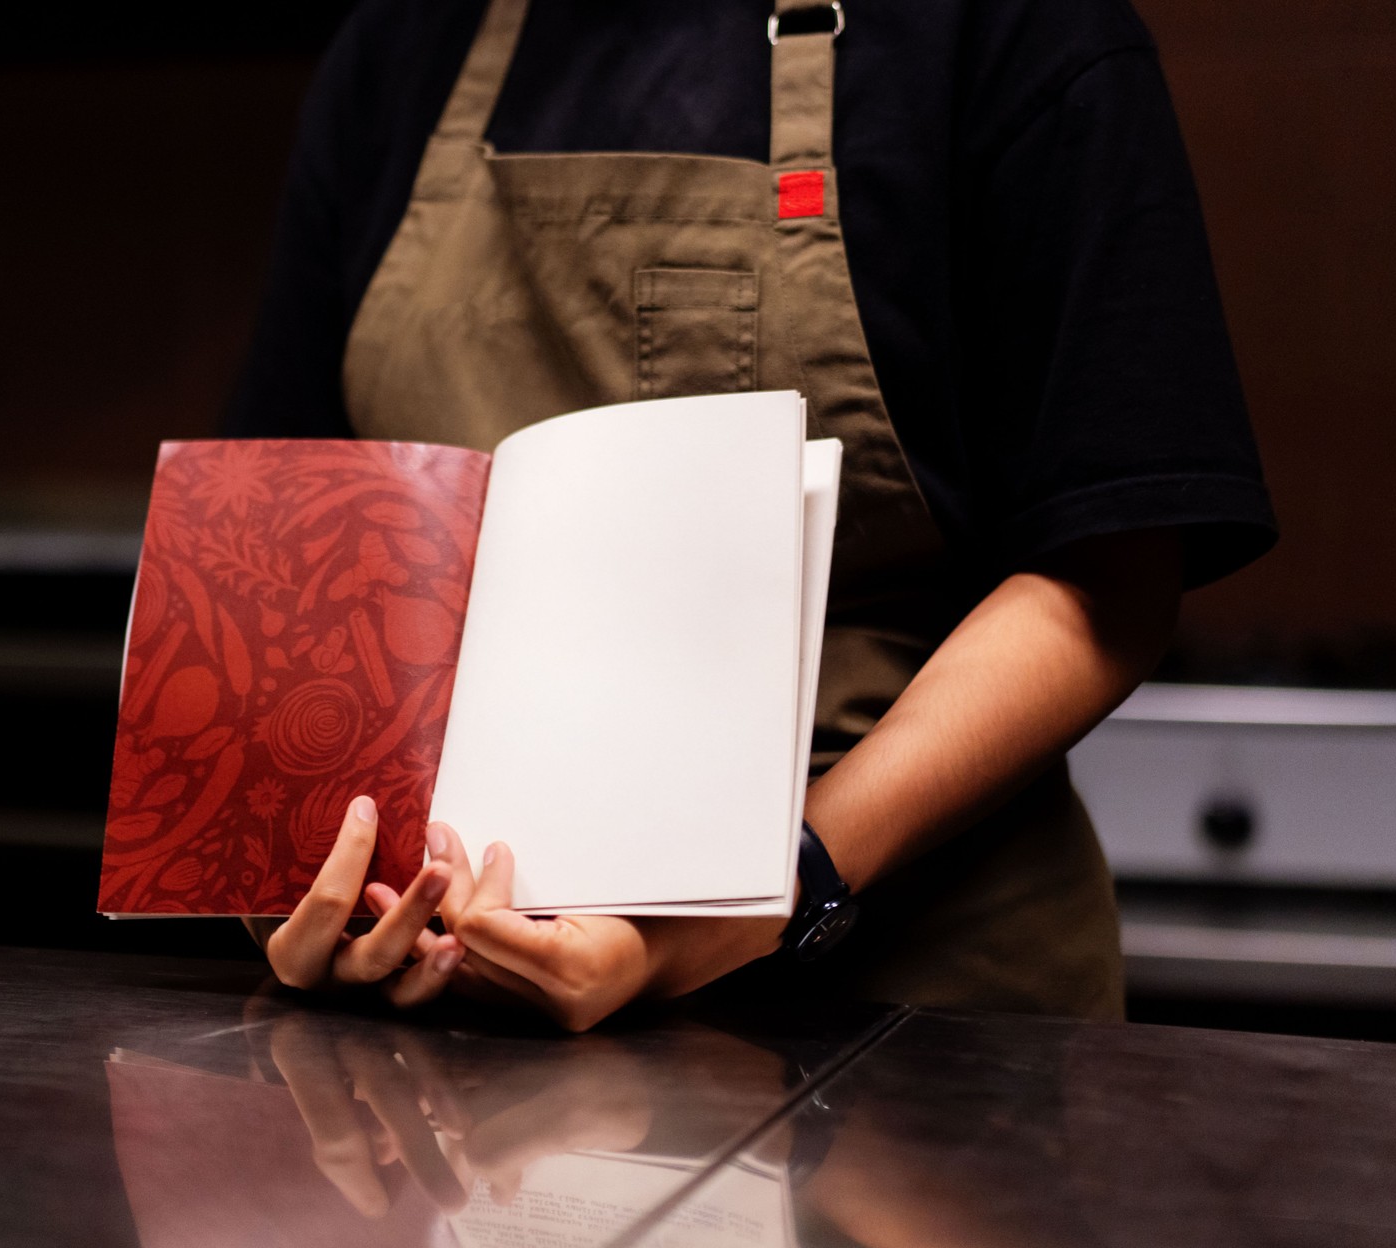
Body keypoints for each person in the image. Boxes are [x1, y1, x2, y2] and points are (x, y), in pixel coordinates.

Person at [230, 0, 1275, 1030]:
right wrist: (315, 886)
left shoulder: (1014, 30)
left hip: (914, 1030)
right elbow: (278, 558)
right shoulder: (401, 46)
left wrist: (773, 887)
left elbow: (1106, 584)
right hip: (456, 1017)